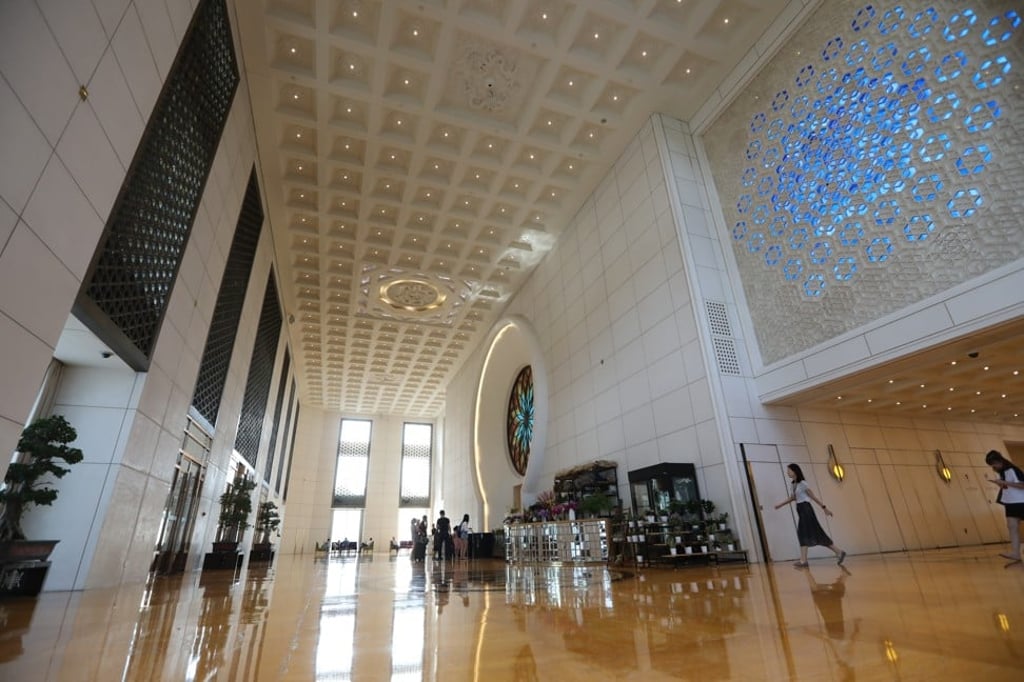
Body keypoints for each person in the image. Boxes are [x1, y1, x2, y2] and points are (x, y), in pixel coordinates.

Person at [775, 463, 847, 567]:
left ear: (795, 471)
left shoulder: (803, 483)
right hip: (800, 509)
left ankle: (803, 561)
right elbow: (793, 498)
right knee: (815, 533)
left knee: (803, 533)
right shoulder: (793, 484)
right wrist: (780, 505)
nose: (787, 472)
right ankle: (839, 552)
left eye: (789, 470)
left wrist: (824, 508)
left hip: (806, 509)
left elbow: (812, 496)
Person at [984, 449, 1024, 563]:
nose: (994, 466)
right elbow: (1008, 487)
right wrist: (1000, 484)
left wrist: (1005, 483)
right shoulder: (1002, 472)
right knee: (1012, 526)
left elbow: (1022, 484)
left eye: (994, 463)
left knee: (1013, 526)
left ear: (999, 460)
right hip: (1010, 502)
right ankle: (1016, 553)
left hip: (1021, 502)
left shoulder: (1012, 470)